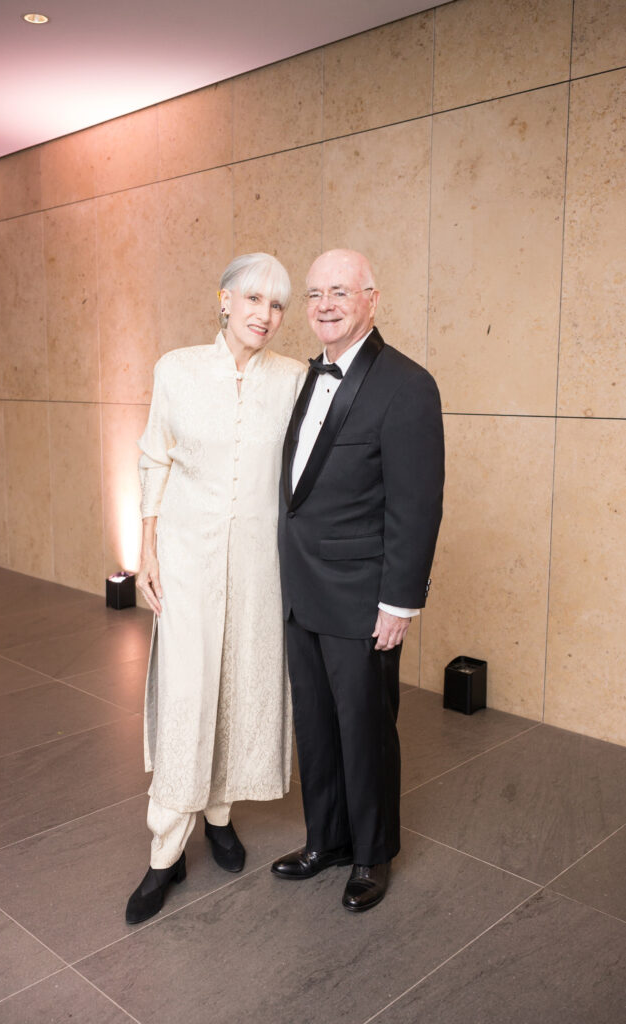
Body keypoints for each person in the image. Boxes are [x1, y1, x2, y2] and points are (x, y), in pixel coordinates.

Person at [126, 253, 306, 925]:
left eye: (278, 304)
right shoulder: (176, 368)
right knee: (187, 690)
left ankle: (220, 816)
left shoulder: (293, 379)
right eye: (254, 298)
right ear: (224, 299)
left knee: (242, 683)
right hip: (187, 556)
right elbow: (154, 454)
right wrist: (144, 545)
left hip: (261, 562)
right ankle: (164, 854)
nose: (265, 314)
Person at [272, 249, 444, 912]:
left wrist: (398, 603)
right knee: (315, 726)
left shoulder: (406, 384)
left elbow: (414, 504)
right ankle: (326, 839)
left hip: (361, 598)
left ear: (371, 297)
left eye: (339, 290)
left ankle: (371, 854)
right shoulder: (302, 378)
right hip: (301, 589)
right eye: (314, 292)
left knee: (365, 730)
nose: (324, 304)